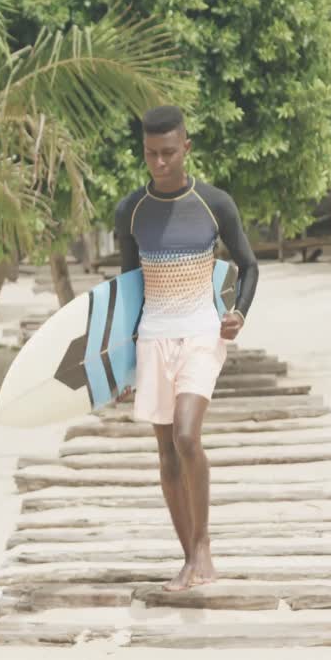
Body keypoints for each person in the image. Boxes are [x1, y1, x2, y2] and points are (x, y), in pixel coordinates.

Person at [114, 105, 259, 591]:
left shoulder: (214, 204)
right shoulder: (131, 210)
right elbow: (129, 287)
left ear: (187, 148)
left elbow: (249, 265)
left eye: (169, 153)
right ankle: (188, 559)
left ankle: (203, 547)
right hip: (154, 336)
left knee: (186, 436)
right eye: (152, 154)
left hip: (202, 330)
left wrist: (238, 310)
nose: (160, 163)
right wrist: (120, 360)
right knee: (165, 454)